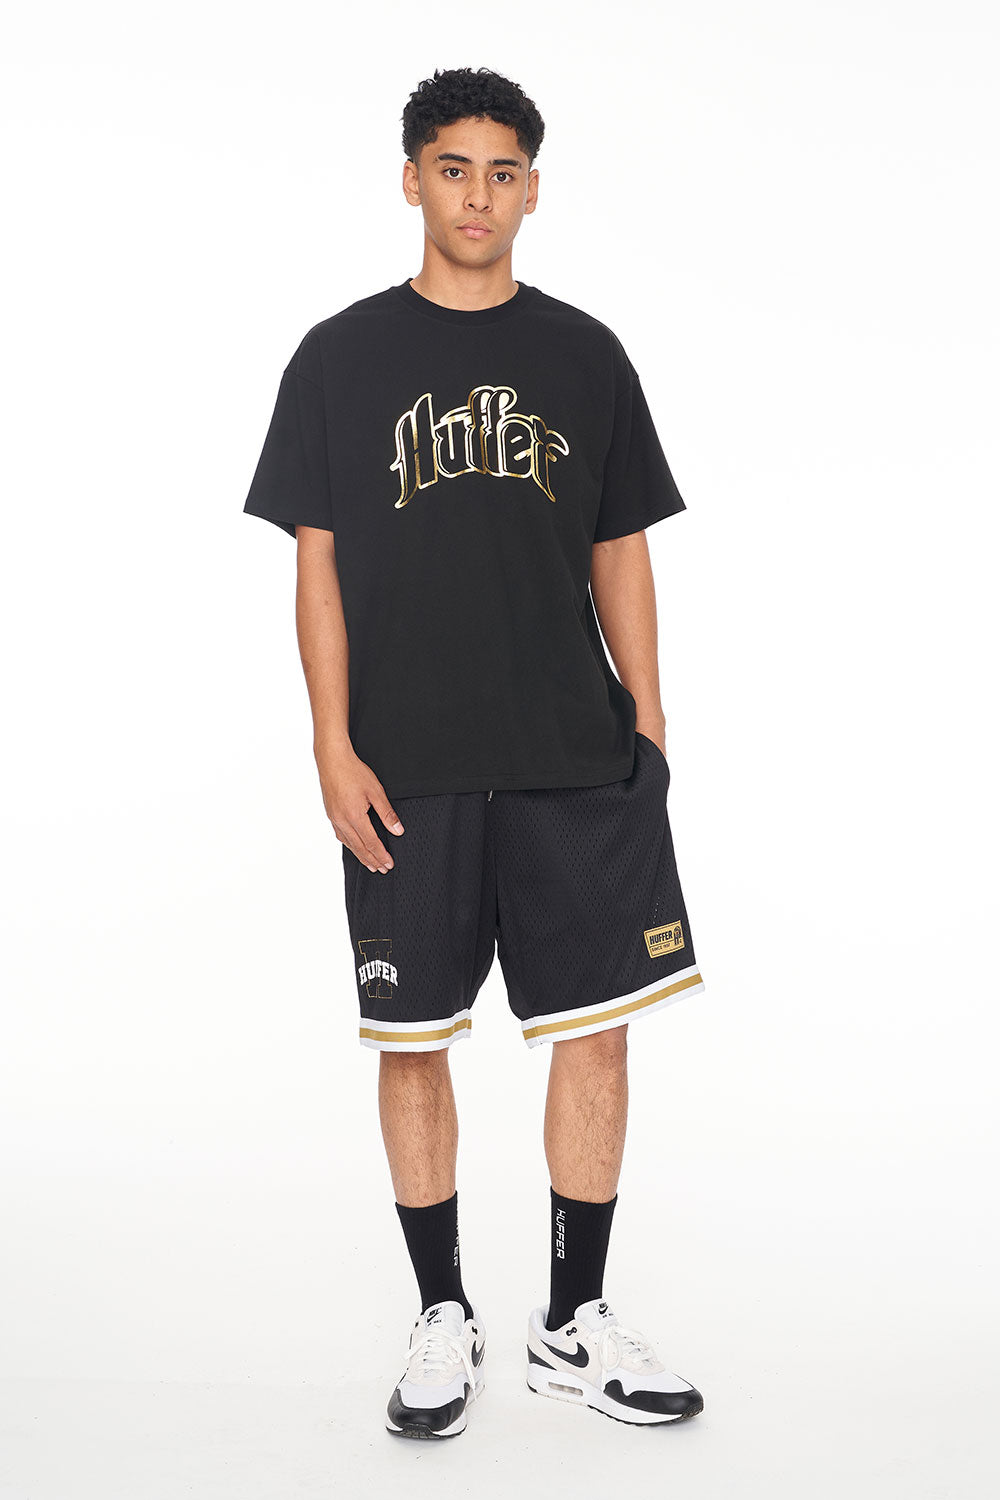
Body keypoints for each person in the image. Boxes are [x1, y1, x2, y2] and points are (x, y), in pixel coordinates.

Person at [242, 65, 706, 1439]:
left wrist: (650, 723)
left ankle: (575, 1321)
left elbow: (621, 548)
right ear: (412, 180)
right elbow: (317, 570)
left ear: (534, 190)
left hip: (573, 755)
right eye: (454, 168)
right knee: (412, 1040)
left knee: (596, 1035)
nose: (479, 195)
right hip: (409, 764)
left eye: (504, 172)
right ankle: (442, 1312)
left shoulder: (586, 355)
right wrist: (330, 743)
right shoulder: (338, 359)